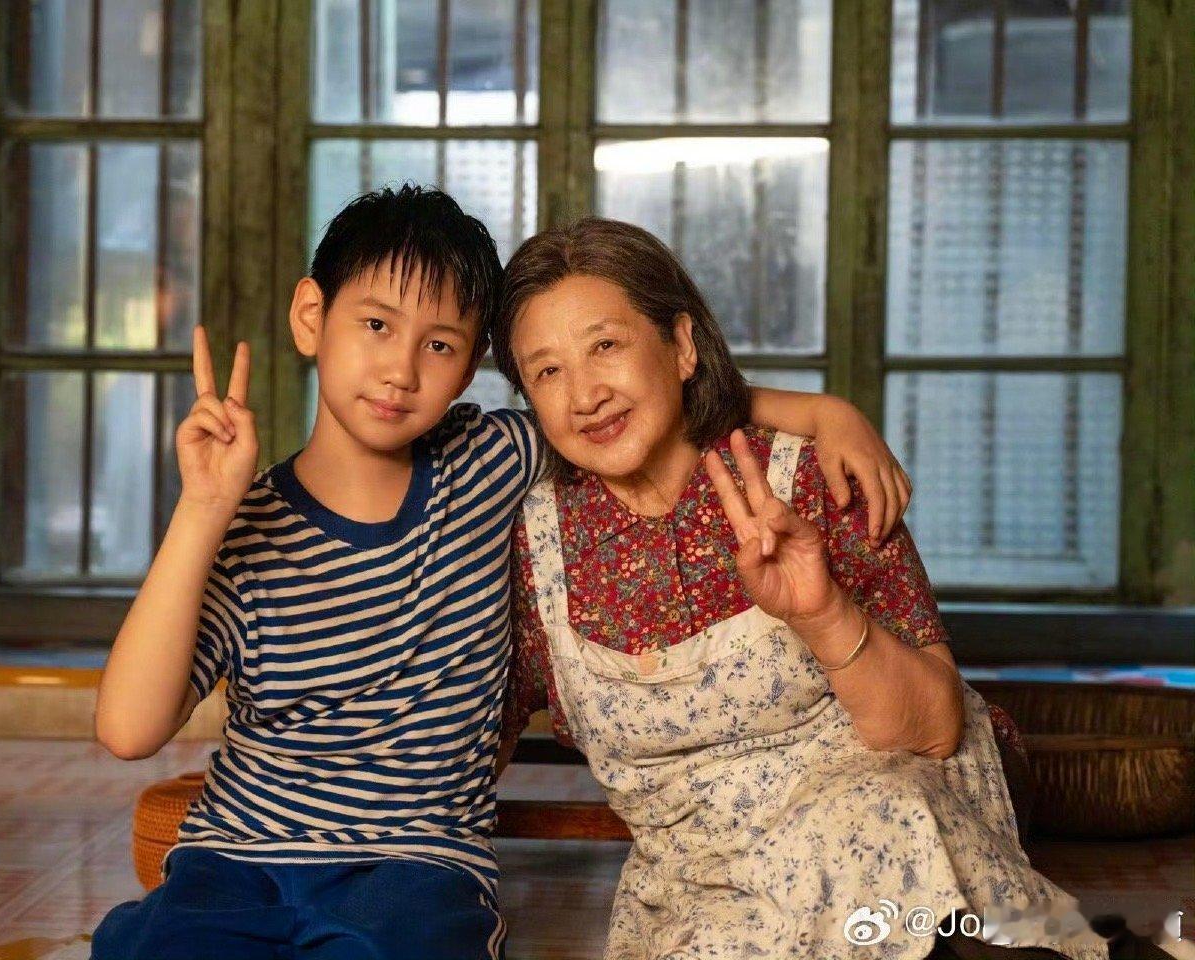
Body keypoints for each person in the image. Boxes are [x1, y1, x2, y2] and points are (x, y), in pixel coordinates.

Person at [90, 187, 912, 960]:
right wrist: (202, 509)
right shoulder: (240, 525)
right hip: (236, 859)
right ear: (312, 317)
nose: (401, 369)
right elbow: (128, 730)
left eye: (439, 345)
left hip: (415, 868)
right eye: (375, 325)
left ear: (472, 364)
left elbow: (647, 402)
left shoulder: (491, 460)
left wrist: (826, 413)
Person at [491, 218, 1131, 960]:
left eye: (605, 346)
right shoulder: (535, 542)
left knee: (878, 819)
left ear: (682, 346)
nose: (585, 395)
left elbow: (933, 728)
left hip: (890, 821)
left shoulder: (815, 479)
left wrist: (823, 613)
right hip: (707, 890)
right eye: (547, 371)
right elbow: (476, 729)